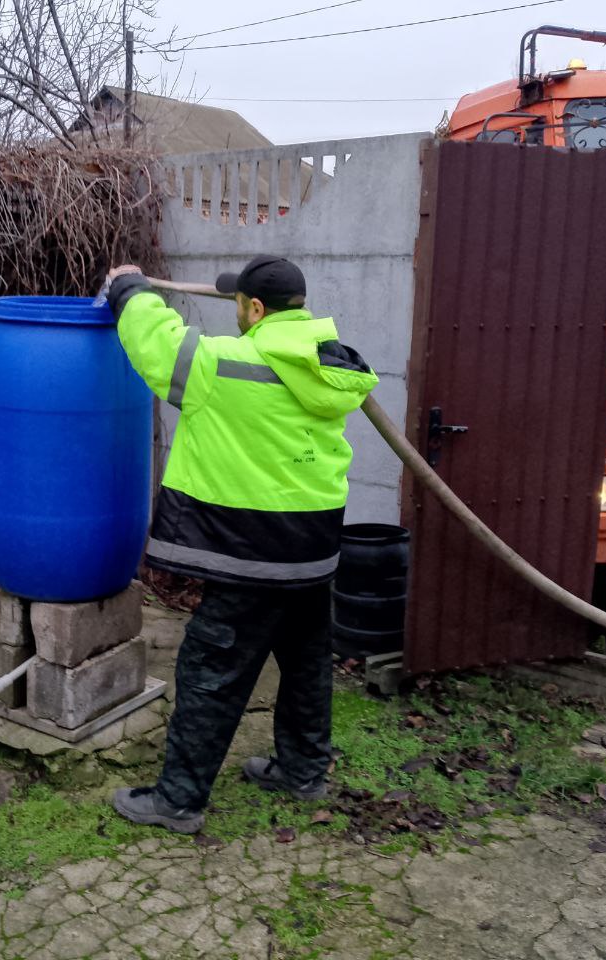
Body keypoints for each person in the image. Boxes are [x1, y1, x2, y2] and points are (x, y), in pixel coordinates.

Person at [105, 255, 378, 834]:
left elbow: (157, 342)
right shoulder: (330, 365)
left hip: (252, 555)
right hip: (314, 552)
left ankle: (178, 800)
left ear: (255, 309)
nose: (234, 314)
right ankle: (303, 771)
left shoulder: (223, 363)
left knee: (210, 669)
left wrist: (126, 287)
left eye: (238, 305)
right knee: (306, 666)